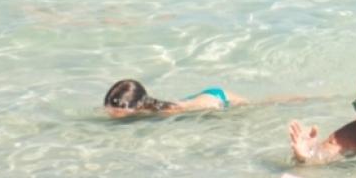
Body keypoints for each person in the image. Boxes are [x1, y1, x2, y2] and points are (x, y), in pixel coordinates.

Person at [103, 78, 248, 116]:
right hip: (204, 95)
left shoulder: (166, 112)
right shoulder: (150, 106)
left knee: (259, 105)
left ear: (137, 106)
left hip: (219, 100)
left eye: (115, 111)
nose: (111, 113)